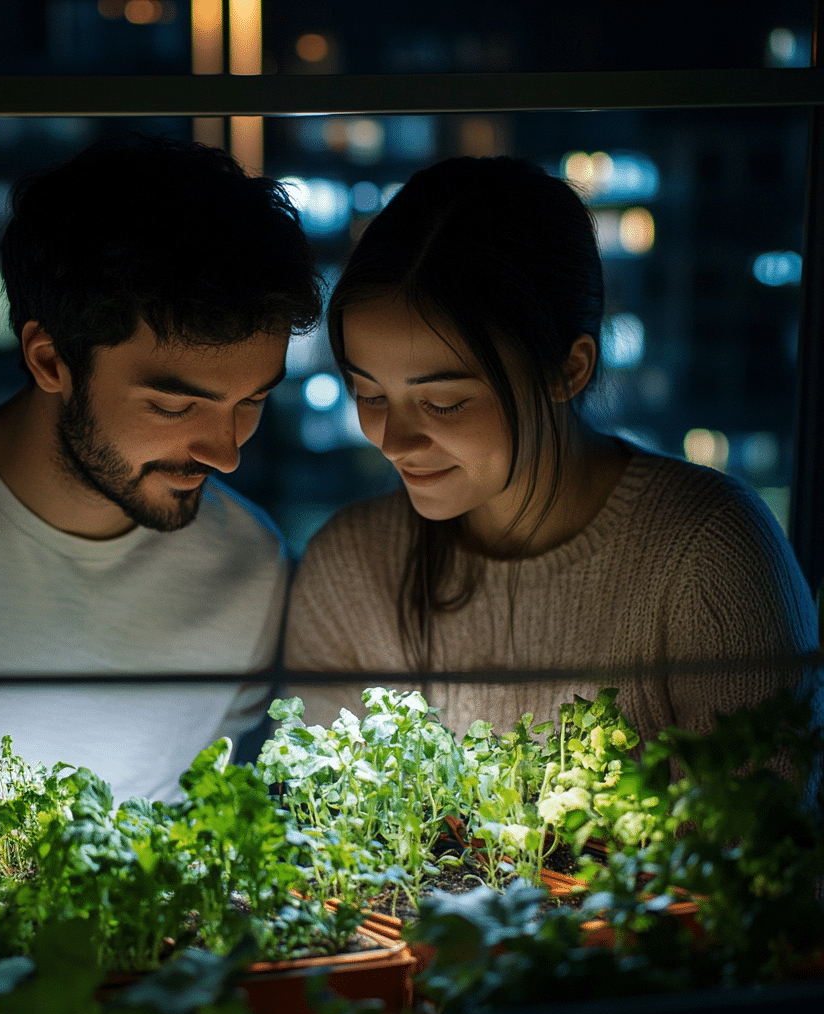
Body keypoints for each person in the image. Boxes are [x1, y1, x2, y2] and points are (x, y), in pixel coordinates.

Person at [0, 133, 321, 835]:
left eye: (251, 402)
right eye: (173, 406)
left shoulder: (248, 567)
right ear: (50, 360)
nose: (226, 453)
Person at [285, 155, 820, 751]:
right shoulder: (350, 570)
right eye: (370, 393)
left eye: (442, 403)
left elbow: (762, 828)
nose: (394, 440)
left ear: (569, 369)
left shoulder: (708, 556)